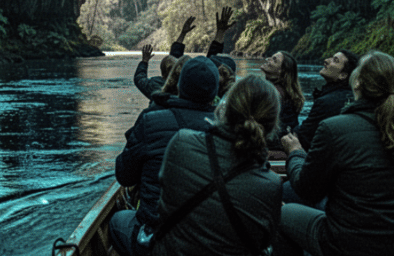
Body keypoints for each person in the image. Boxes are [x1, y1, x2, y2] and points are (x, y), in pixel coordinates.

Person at [274, 51, 394, 256]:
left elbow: (307, 190)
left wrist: (295, 153)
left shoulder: (334, 128)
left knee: (282, 213)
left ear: (357, 82)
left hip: (351, 246)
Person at [151, 75, 283, 256]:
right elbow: (264, 241)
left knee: (120, 221)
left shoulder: (181, 141)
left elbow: (162, 204)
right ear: (271, 126)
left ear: (225, 107)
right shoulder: (272, 184)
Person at [110, 57, 220, 256]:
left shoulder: (150, 119)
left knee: (117, 221)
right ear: (215, 92)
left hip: (159, 240)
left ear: (179, 85)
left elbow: (124, 176)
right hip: (209, 238)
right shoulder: (229, 127)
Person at [293, 50, 359, 150]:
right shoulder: (356, 98)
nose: (326, 61)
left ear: (343, 75)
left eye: (335, 60)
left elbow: (304, 135)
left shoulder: (325, 102)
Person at [260, 50, 303, 135]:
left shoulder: (273, 93)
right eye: (271, 57)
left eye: (274, 60)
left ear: (281, 71)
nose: (268, 59)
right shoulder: (286, 92)